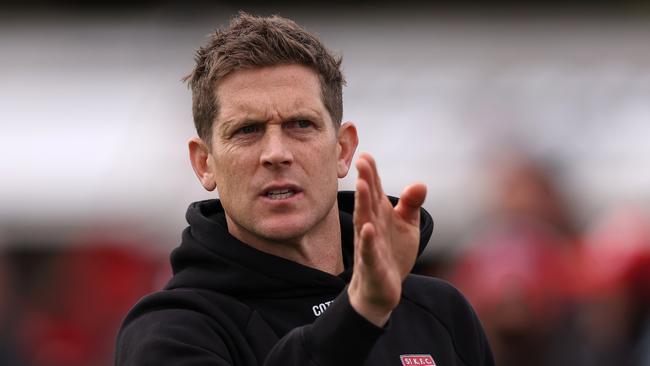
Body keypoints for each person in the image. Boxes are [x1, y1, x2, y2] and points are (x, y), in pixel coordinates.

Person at [115, 12, 494, 366]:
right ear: (205, 163)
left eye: (300, 124)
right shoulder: (171, 331)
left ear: (343, 149)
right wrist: (361, 311)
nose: (276, 153)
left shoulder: (441, 311)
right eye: (247, 130)